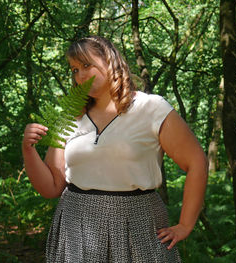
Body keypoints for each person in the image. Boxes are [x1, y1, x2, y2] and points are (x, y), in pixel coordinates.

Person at [22, 36, 208, 262]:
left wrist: (185, 225)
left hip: (137, 221)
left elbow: (196, 161)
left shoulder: (151, 108)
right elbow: (51, 187)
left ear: (110, 61)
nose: (80, 75)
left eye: (86, 65)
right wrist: (29, 150)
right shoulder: (70, 117)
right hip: (77, 225)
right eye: (74, 69)